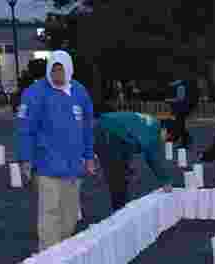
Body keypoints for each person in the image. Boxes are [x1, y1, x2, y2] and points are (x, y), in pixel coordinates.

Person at [15, 50, 96, 252]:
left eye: (61, 70)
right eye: (54, 69)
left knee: (69, 217)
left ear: (69, 69)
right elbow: (26, 129)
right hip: (46, 166)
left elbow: (87, 127)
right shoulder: (35, 93)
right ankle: (48, 260)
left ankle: (60, 253)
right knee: (49, 214)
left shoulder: (79, 92)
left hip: (73, 168)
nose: (57, 74)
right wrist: (26, 159)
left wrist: (89, 156)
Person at [94, 110, 174, 211]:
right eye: (167, 137)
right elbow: (152, 159)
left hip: (107, 127)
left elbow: (128, 140)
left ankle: (121, 207)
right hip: (107, 131)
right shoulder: (153, 131)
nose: (164, 141)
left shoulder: (150, 123)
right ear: (165, 130)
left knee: (121, 172)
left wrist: (127, 165)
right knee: (117, 176)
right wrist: (165, 181)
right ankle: (120, 213)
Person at [166, 78, 196, 148]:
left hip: (182, 109)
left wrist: (170, 100)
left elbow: (180, 99)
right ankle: (185, 140)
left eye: (171, 83)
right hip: (184, 108)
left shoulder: (180, 86)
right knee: (180, 126)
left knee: (180, 125)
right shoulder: (183, 85)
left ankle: (184, 141)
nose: (170, 84)